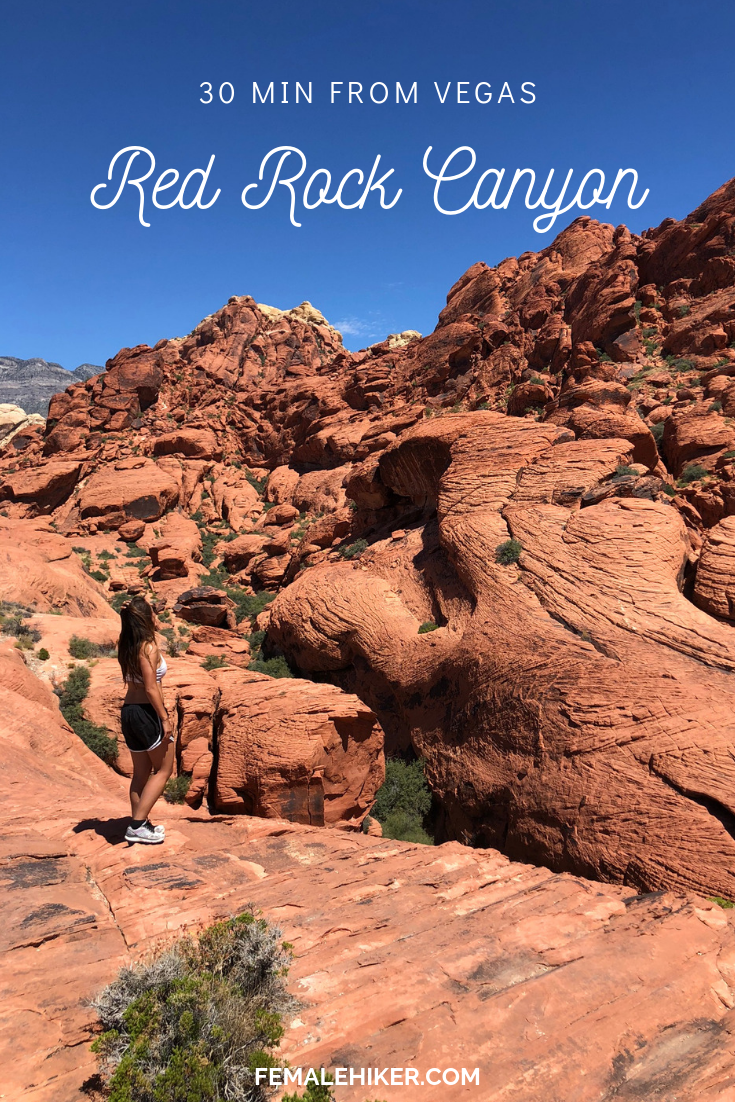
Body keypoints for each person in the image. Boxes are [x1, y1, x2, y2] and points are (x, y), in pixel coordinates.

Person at [117, 596, 174, 845]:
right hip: (146, 712)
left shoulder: (126, 642)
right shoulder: (148, 647)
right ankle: (138, 826)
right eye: (152, 611)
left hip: (129, 711)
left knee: (140, 773)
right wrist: (165, 718)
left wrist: (125, 616)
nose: (156, 614)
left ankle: (141, 824)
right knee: (164, 770)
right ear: (147, 617)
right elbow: (151, 688)